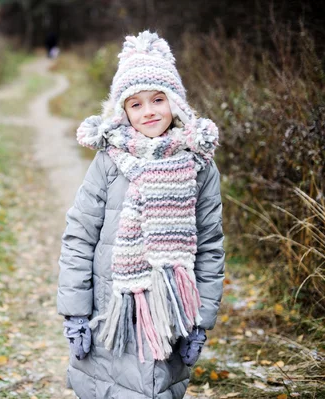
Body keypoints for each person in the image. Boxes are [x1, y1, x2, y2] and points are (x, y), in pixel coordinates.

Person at [57, 31, 225, 399]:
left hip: (172, 318)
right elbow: (79, 236)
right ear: (122, 111)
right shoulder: (109, 163)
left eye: (158, 99)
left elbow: (211, 245)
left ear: (175, 102)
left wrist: (200, 323)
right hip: (109, 317)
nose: (148, 111)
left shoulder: (199, 166)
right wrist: (75, 314)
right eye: (136, 104)